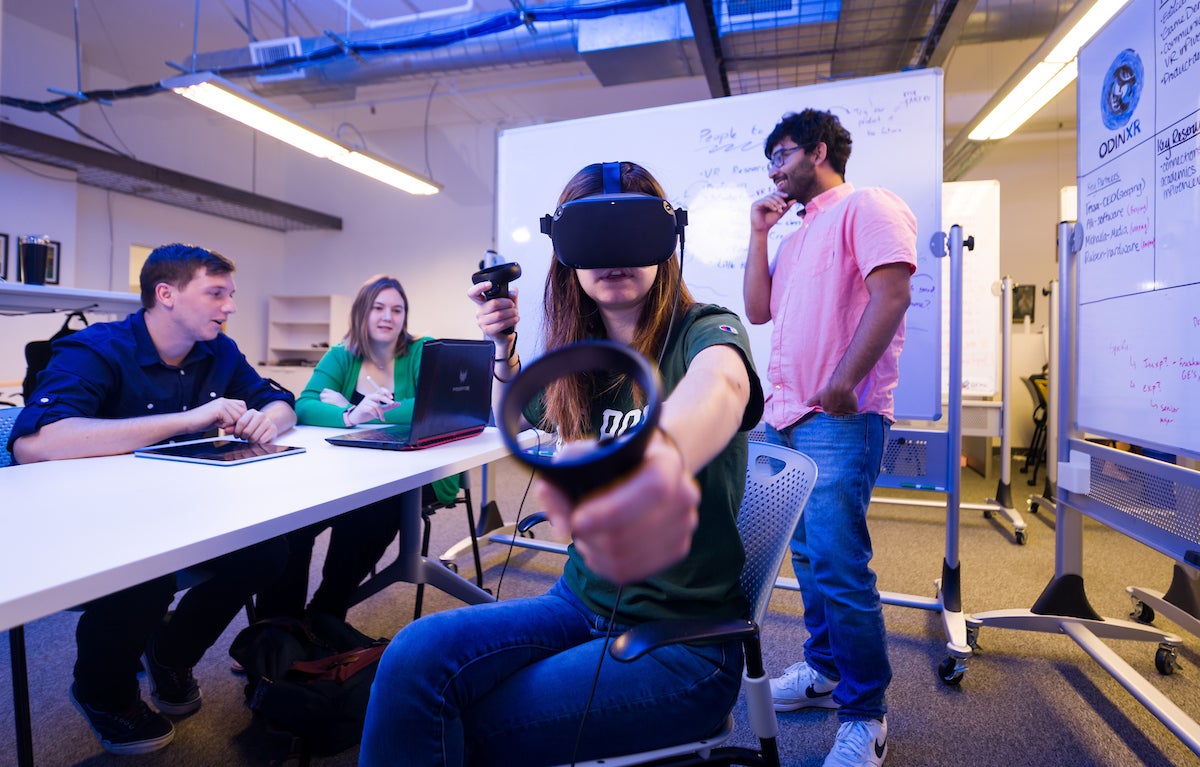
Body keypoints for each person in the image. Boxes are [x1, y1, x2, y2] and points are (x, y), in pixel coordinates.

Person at [358, 161, 765, 766]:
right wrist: (504, 350)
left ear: (666, 242)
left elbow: (723, 388)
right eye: (592, 240)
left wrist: (650, 461)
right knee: (415, 652)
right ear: (567, 254)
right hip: (577, 603)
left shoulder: (705, 330)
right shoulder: (582, 361)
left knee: (462, 723)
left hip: (680, 645)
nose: (613, 255)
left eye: (629, 233)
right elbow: (515, 421)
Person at [8, 243, 295, 755]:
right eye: (215, 293)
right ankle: (101, 692)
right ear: (166, 294)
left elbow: (279, 401)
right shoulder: (96, 349)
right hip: (96, 524)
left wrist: (266, 419)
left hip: (186, 512)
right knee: (143, 571)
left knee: (270, 549)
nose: (229, 306)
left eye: (230, 294)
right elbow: (35, 444)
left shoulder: (219, 350)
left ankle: (170, 651)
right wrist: (187, 420)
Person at [742, 109, 917, 767]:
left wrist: (846, 381)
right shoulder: (792, 238)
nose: (773, 170)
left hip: (839, 417)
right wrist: (757, 231)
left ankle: (867, 712)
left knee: (841, 563)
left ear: (818, 151)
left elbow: (892, 292)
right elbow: (758, 309)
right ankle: (821, 671)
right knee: (811, 558)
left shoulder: (865, 205)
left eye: (781, 154)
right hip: (786, 417)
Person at [254, 274, 459, 623]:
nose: (388, 317)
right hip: (344, 471)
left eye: (397, 309)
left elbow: (436, 406)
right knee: (293, 519)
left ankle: (325, 611)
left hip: (413, 471)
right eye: (378, 308)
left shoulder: (423, 349)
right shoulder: (342, 354)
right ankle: (274, 631)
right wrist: (350, 415)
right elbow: (303, 405)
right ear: (361, 313)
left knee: (372, 509)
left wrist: (362, 410)